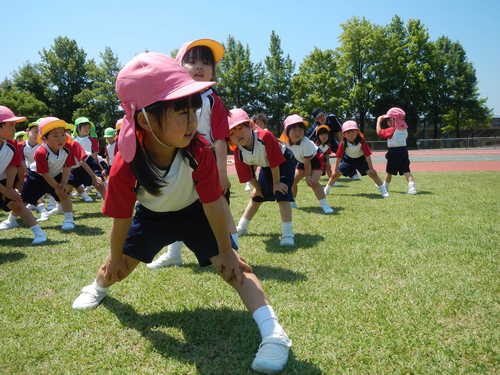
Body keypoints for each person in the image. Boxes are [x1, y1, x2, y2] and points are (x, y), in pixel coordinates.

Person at [71, 52, 291, 373]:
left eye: (193, 107)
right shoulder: (126, 161)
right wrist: (117, 256)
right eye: (180, 110)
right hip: (152, 217)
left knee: (236, 268)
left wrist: (227, 251)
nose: (191, 119)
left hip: (194, 214)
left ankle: (275, 335)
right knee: (116, 268)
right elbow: (122, 217)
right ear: (144, 119)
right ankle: (97, 288)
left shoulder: (198, 149)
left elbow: (213, 202)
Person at [148, 38, 237, 269]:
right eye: (192, 61)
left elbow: (219, 139)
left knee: (212, 207)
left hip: (204, 165)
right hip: (177, 163)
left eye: (206, 63)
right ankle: (174, 253)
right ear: (179, 67)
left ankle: (228, 250)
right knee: (176, 205)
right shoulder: (169, 99)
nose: (199, 67)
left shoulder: (213, 100)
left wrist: (221, 173)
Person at [229, 108, 296, 246]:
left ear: (251, 125)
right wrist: (258, 189)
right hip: (267, 165)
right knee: (257, 197)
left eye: (240, 128)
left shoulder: (265, 137)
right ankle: (241, 227)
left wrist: (276, 183)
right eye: (231, 132)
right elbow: (248, 174)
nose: (237, 134)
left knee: (281, 192)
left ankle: (288, 234)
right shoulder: (238, 152)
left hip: (284, 161)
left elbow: (275, 162)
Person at [0, 106, 47, 243]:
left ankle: (39, 233)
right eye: (11, 125)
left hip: (3, 182)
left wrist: (9, 188)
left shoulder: (12, 144)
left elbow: (13, 166)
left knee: (18, 204)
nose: (14, 129)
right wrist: (5, 191)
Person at [21, 117, 76, 230]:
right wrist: (56, 186)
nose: (60, 138)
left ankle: (69, 220)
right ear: (44, 139)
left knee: (64, 194)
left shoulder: (68, 148)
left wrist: (63, 183)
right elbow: (44, 173)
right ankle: (12, 220)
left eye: (62, 134)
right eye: (55, 135)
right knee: (24, 200)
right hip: (37, 176)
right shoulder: (41, 152)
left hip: (56, 174)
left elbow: (67, 166)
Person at [280, 114, 334, 214]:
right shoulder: (284, 142)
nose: (298, 132)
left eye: (301, 129)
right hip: (302, 161)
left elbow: (308, 162)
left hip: (315, 159)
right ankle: (292, 202)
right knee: (292, 181)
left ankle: (325, 206)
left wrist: (308, 176)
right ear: (287, 131)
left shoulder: (306, 143)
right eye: (294, 129)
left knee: (312, 182)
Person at [324, 121, 389, 197]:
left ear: (357, 132)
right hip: (348, 160)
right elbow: (339, 156)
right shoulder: (343, 143)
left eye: (353, 132)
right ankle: (326, 190)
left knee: (372, 173)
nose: (351, 134)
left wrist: (371, 168)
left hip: (360, 160)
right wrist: (336, 169)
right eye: (348, 132)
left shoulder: (362, 141)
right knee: (335, 175)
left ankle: (383, 190)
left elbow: (367, 155)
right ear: (344, 134)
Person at [376, 107, 417, 195]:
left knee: (389, 171)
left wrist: (378, 120)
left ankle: (385, 186)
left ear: (395, 120)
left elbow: (379, 132)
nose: (387, 122)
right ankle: (412, 188)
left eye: (389, 120)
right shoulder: (405, 129)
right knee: (406, 171)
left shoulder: (391, 130)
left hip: (393, 152)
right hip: (404, 151)